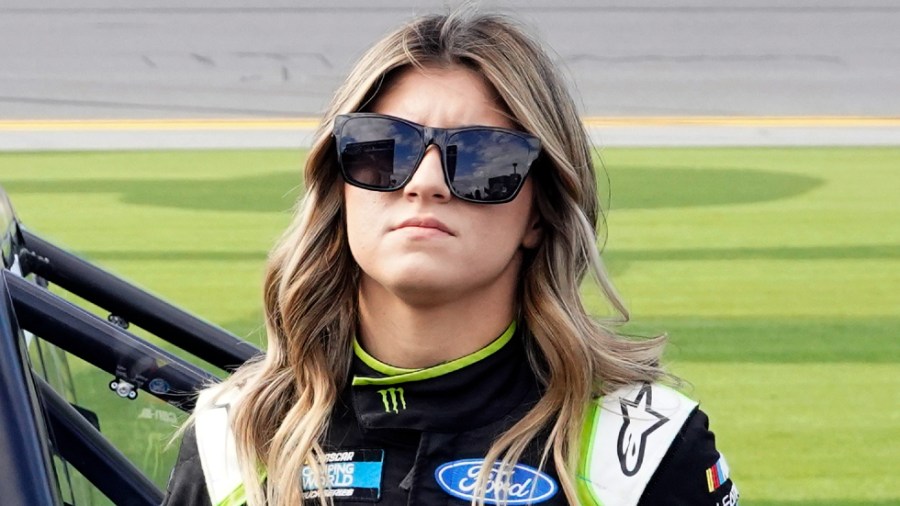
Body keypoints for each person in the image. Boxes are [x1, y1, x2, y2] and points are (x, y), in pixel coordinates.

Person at [163, 9, 738, 506]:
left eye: (483, 160)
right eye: (382, 149)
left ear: (540, 213)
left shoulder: (641, 447)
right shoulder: (235, 436)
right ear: (340, 185)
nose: (426, 182)